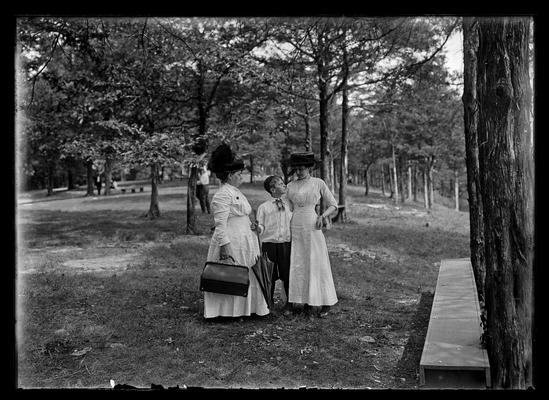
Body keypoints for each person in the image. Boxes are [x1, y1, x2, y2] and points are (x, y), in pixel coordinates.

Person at [203, 143, 270, 319]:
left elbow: (242, 214)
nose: (241, 176)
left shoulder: (234, 191)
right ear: (231, 175)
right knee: (232, 273)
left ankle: (247, 308)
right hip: (232, 239)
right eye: (239, 174)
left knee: (246, 271)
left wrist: (254, 226)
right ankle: (227, 311)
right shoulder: (223, 194)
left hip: (245, 237)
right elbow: (220, 224)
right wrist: (225, 246)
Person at [285, 152, 338, 318]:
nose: (299, 172)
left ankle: (324, 301)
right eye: (296, 169)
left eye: (302, 169)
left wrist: (322, 216)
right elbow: (287, 207)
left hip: (312, 223)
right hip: (295, 224)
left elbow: (333, 204)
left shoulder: (318, 183)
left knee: (315, 260)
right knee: (298, 261)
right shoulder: (290, 185)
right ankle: (299, 300)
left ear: (309, 168)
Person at [255, 175, 293, 315]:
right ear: (272, 189)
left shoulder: (288, 205)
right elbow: (261, 227)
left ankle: (289, 303)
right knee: (269, 274)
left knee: (286, 273)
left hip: (285, 244)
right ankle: (268, 303)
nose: (284, 185)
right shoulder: (264, 207)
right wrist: (258, 228)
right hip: (269, 245)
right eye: (281, 184)